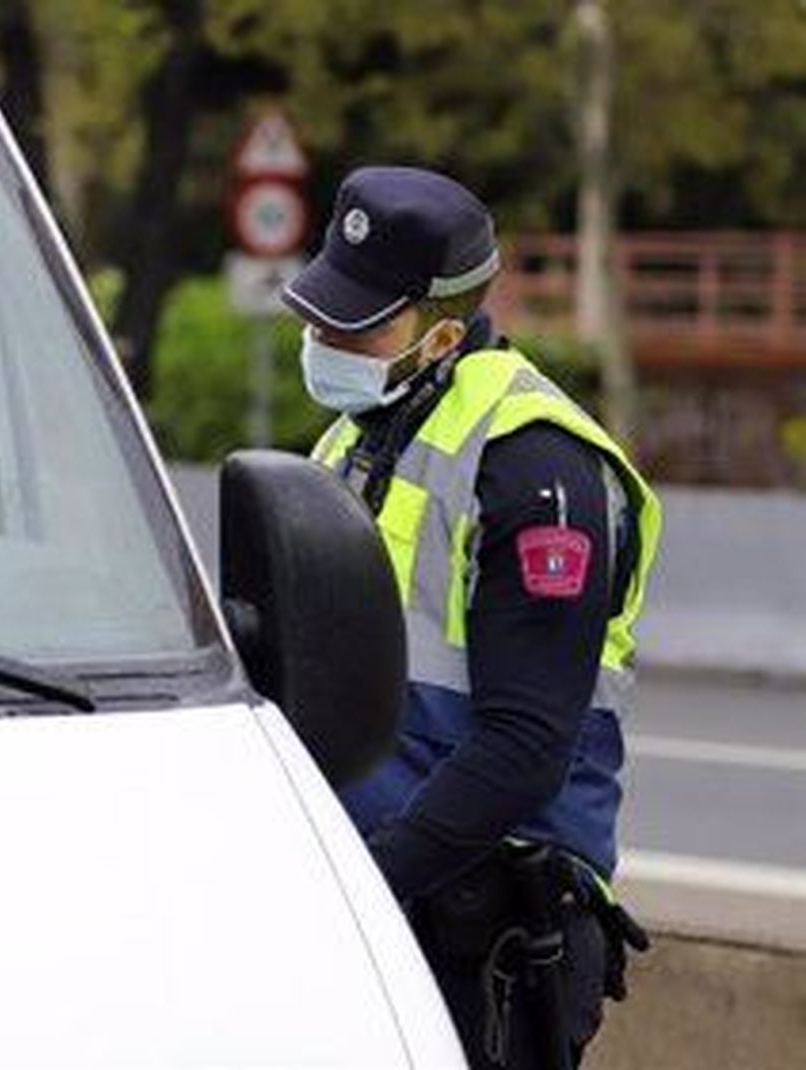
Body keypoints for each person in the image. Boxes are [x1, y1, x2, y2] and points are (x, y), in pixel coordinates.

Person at [280, 166, 659, 1069]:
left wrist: (368, 884)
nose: (325, 335)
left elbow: (525, 747)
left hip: (483, 928)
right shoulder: (355, 437)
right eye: (324, 311)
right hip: (381, 897)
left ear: (443, 331)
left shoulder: (536, 465)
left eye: (359, 321)